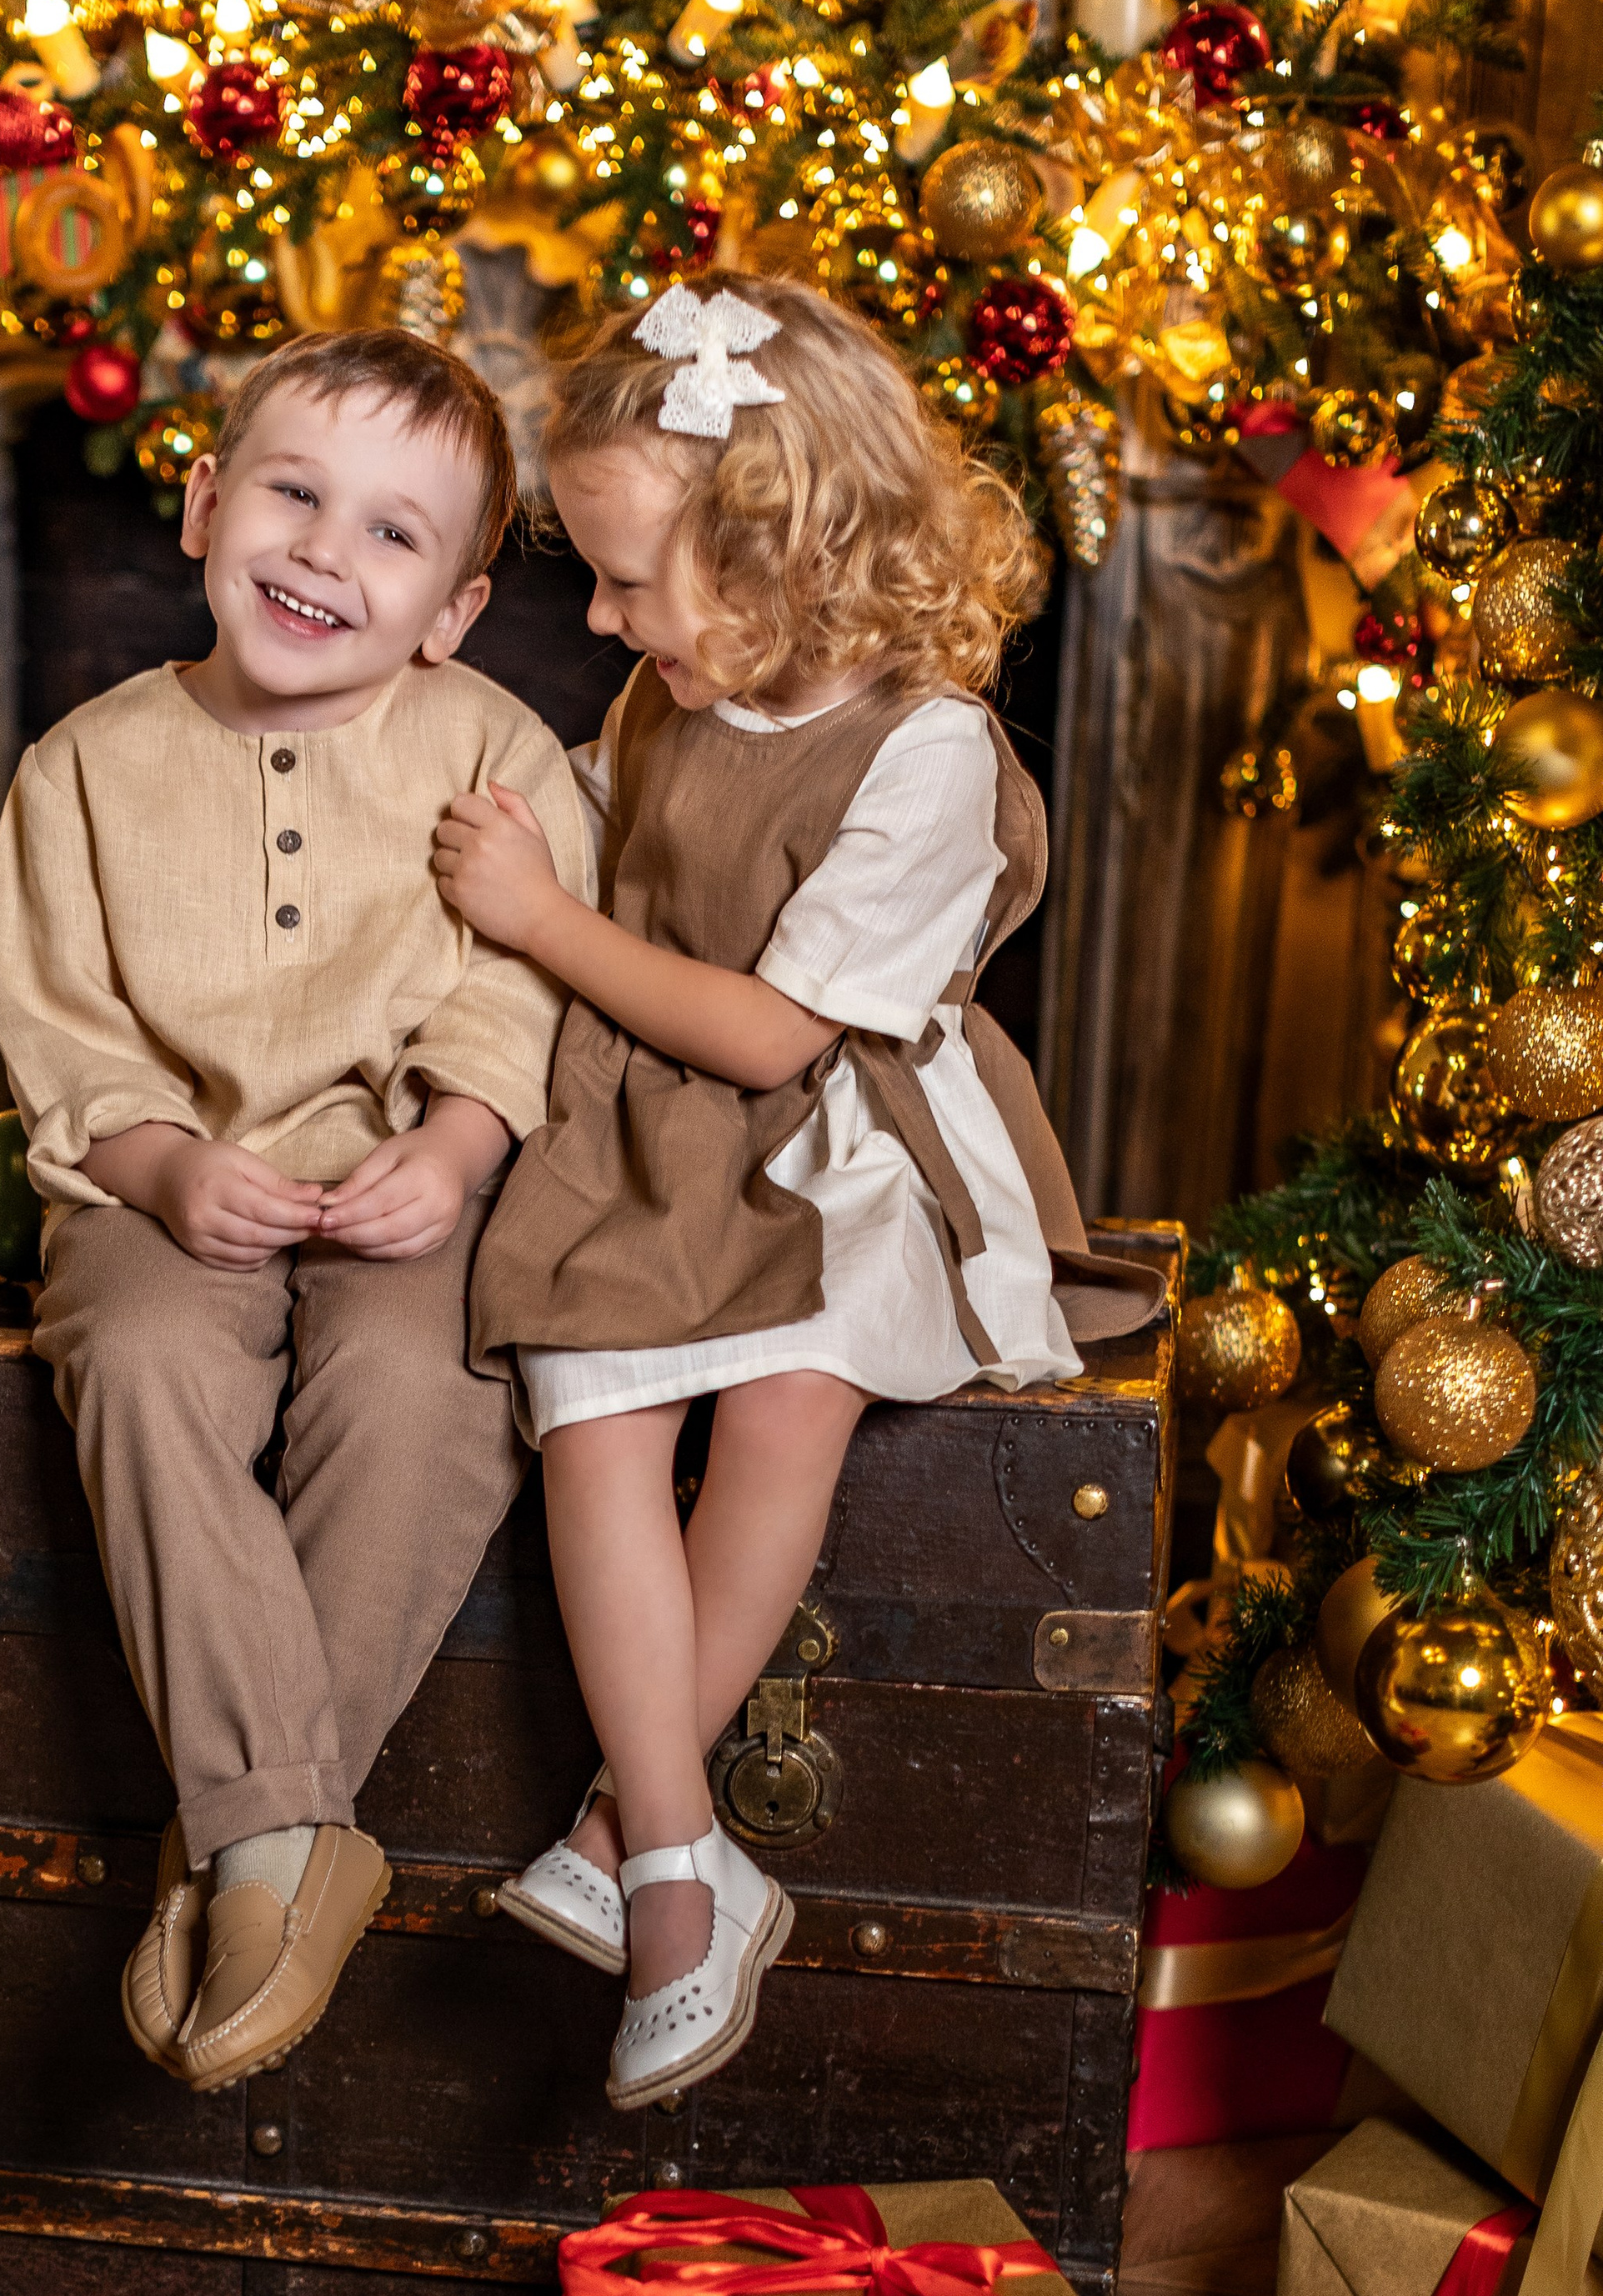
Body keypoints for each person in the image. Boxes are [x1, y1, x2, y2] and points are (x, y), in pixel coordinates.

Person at [437, 276, 1162, 2113]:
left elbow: (771, 1036)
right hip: (644, 1115)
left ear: (776, 565)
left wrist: (540, 918)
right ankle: (679, 1848)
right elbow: (594, 834)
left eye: (625, 583)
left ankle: (632, 1846)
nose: (598, 620)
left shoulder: (926, 754)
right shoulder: (670, 691)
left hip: (832, 1129)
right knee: (592, 1406)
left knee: (786, 1393)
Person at [0, 328, 585, 2095]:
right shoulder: (80, 767)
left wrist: (457, 1147)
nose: (327, 551)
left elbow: (525, 982)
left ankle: (243, 1847)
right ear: (201, 505)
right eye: (293, 493)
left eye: (393, 533)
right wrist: (163, 1165)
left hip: (414, 1180)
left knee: (428, 1381)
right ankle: (294, 1842)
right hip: (166, 1178)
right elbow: (64, 1023)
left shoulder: (493, 748)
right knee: (138, 1355)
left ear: (453, 611)